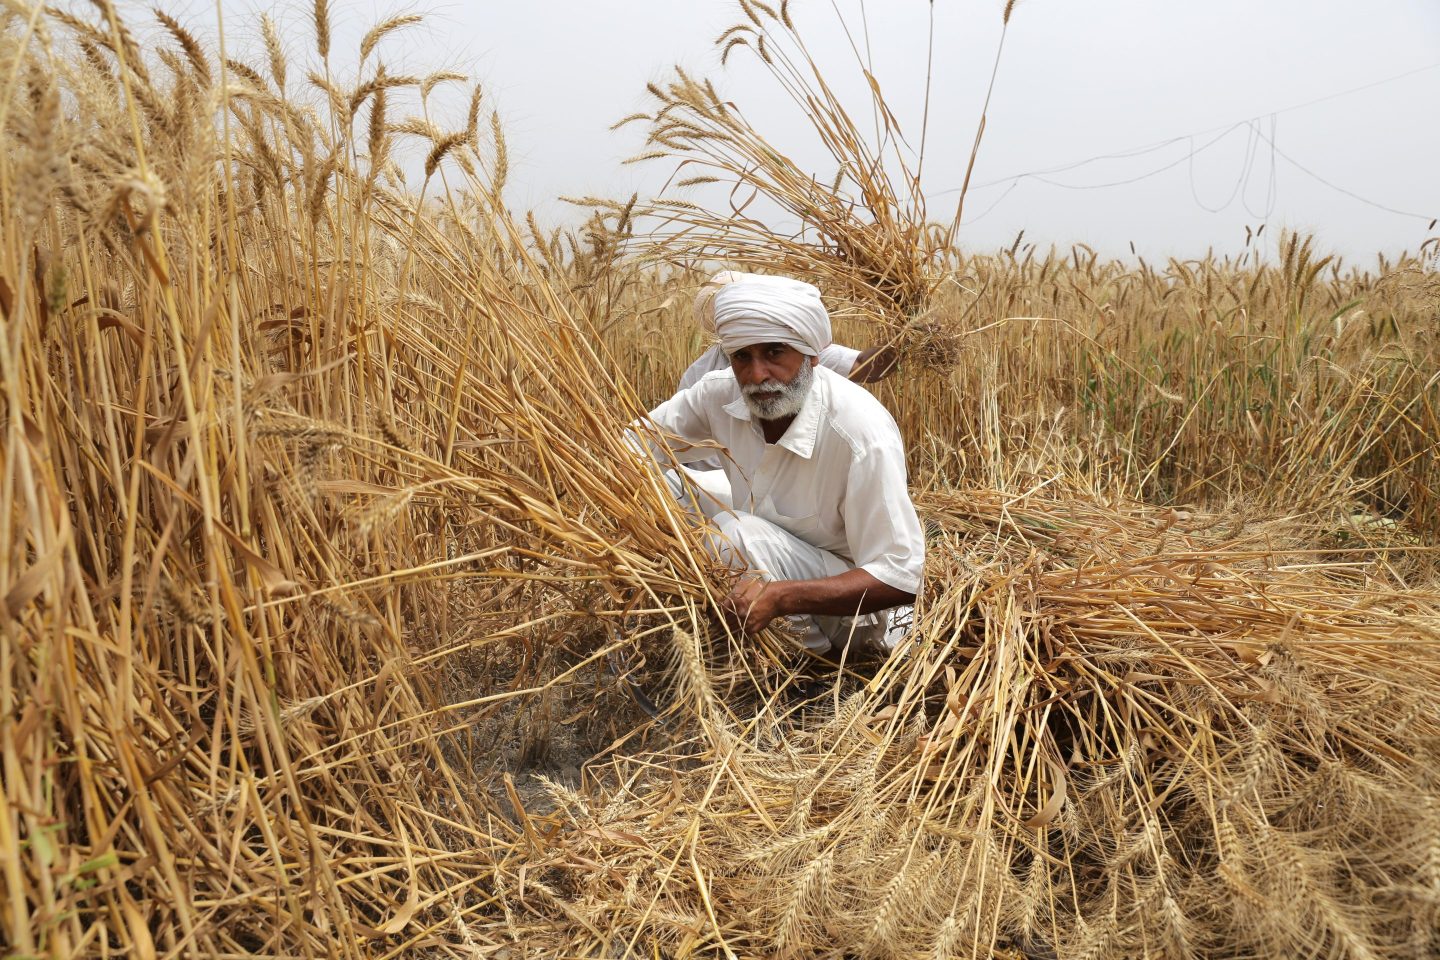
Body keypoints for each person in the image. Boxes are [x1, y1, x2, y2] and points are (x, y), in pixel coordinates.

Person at [633, 274, 924, 655]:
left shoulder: (859, 434)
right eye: (742, 357)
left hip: (855, 619)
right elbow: (630, 450)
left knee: (735, 536)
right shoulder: (717, 393)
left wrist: (783, 597)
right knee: (670, 484)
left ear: (812, 355)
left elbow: (901, 576)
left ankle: (806, 669)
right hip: (770, 543)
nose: (756, 376)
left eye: (774, 353)